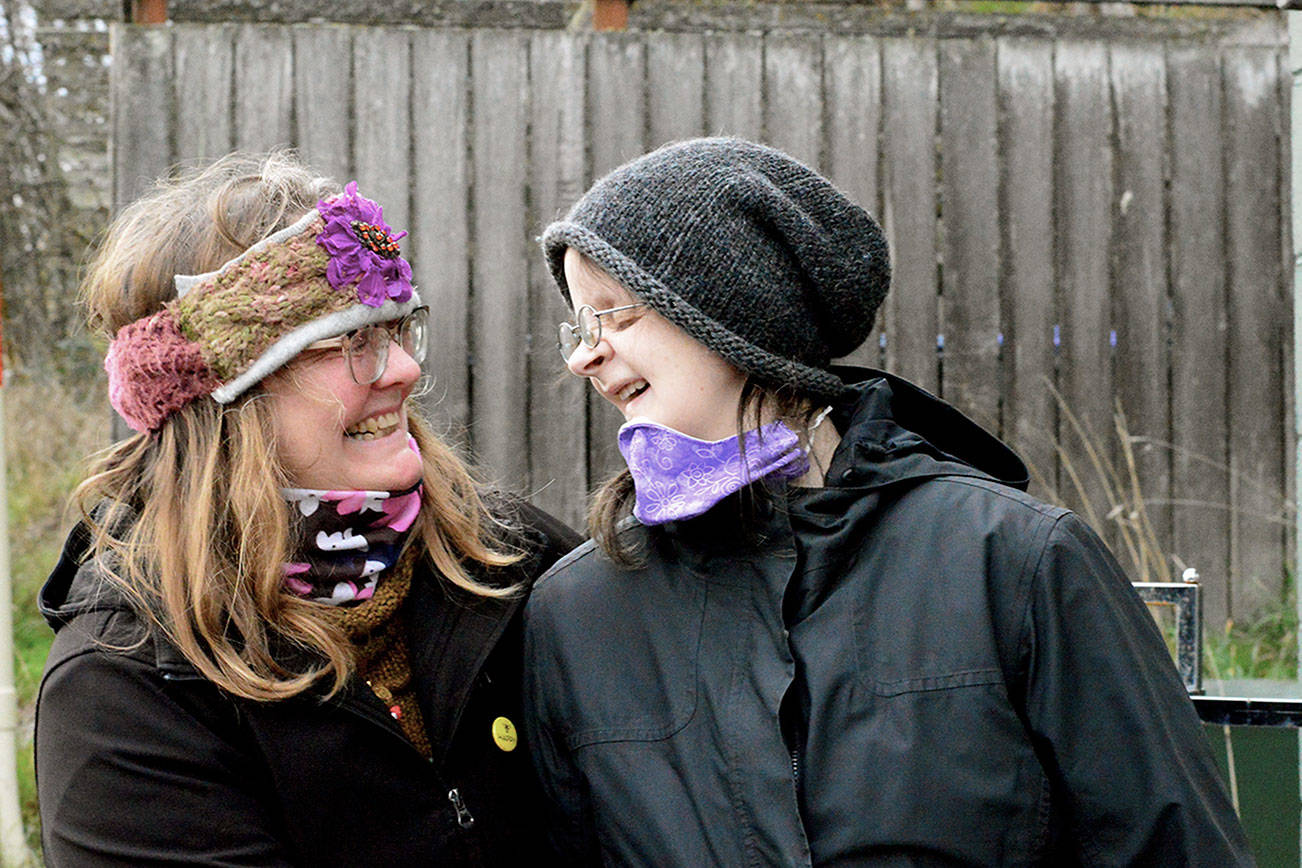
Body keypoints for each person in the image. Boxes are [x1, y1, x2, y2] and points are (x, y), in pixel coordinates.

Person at [521, 137, 1253, 866]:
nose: (584, 356)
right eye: (579, 327)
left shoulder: (1015, 564)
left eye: (616, 315)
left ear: (737, 314)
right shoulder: (578, 614)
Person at [35, 152, 580, 866]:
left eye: (397, 330)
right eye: (353, 341)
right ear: (229, 403)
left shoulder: (508, 557)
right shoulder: (127, 687)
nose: (406, 370)